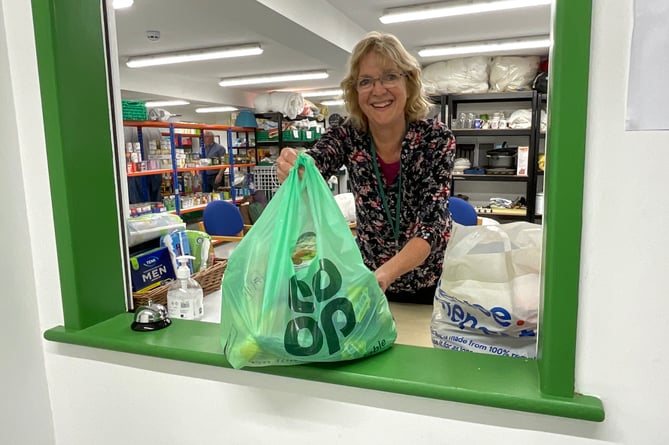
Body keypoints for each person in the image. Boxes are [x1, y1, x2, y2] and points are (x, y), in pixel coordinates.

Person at [276, 31, 455, 304]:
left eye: (390, 76)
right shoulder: (349, 135)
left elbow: (432, 224)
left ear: (409, 82)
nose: (378, 90)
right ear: (355, 91)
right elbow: (318, 160)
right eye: (366, 81)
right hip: (369, 282)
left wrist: (384, 274)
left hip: (427, 286)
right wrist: (297, 166)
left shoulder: (435, 139)